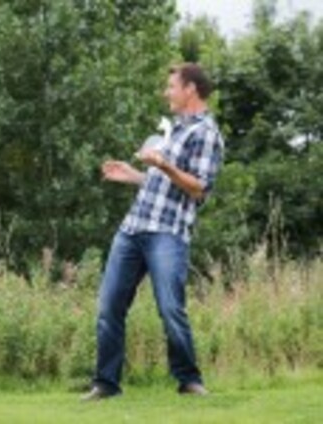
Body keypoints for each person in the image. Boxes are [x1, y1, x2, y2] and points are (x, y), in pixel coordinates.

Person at [82, 63, 224, 400]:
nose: (166, 92)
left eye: (171, 86)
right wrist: (133, 175)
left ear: (190, 89)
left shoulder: (206, 133)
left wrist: (162, 164)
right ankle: (105, 384)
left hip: (167, 234)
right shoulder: (173, 129)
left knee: (171, 309)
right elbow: (162, 183)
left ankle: (189, 380)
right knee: (109, 308)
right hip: (132, 229)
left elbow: (198, 188)